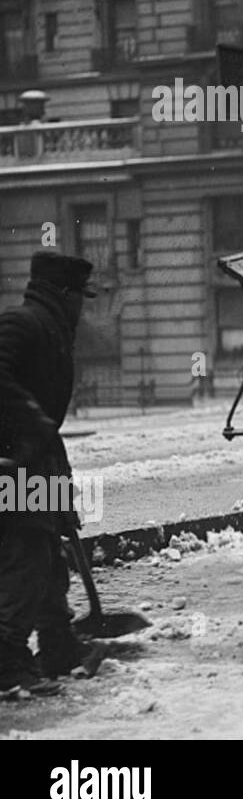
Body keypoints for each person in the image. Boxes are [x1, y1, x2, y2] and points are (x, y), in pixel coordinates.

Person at [0, 252, 105, 697]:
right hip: (14, 458)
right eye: (81, 296)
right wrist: (33, 422)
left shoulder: (52, 328)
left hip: (39, 456)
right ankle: (6, 663)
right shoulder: (22, 323)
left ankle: (58, 645)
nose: (84, 306)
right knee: (25, 557)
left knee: (47, 550)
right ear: (64, 294)